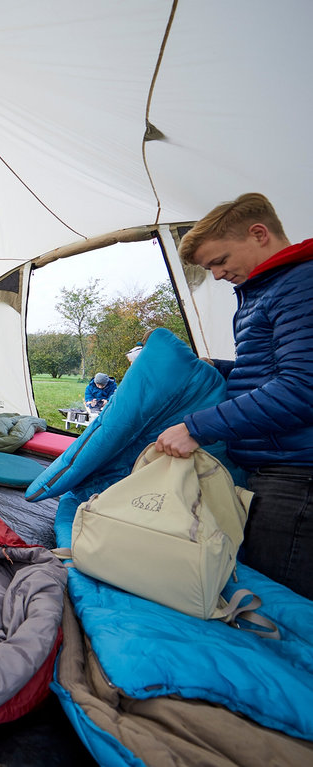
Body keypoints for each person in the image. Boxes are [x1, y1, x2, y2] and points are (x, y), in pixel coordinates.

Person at [155, 192, 313, 599]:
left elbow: (301, 388)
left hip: (298, 478)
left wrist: (196, 428)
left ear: (258, 234)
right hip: (278, 468)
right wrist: (214, 368)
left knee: (280, 600)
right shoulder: (265, 292)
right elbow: (269, 373)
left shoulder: (301, 283)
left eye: (220, 261)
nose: (219, 275)